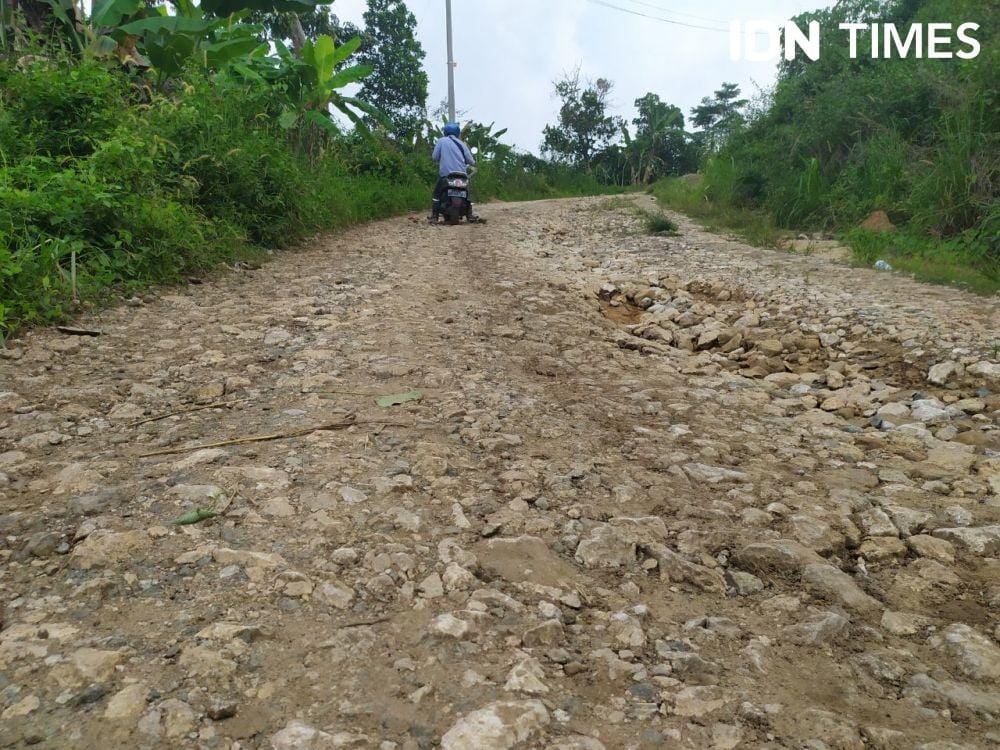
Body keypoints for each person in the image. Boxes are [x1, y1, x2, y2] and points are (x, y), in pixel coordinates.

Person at [430, 122, 478, 223]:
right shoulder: (462, 144)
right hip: (462, 175)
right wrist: (473, 162)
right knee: (468, 192)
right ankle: (469, 214)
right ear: (457, 133)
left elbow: (434, 157)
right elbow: (471, 161)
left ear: (445, 132)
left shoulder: (441, 141)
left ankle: (434, 216)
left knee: (437, 193)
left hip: (446, 175)